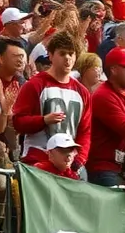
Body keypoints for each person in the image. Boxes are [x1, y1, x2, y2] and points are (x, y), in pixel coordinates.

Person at [13, 31, 93, 166]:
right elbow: (18, 122)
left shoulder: (83, 92)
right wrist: (43, 120)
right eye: (62, 53)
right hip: (37, 159)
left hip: (69, 163)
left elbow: (85, 131)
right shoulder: (34, 85)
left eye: (71, 53)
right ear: (50, 55)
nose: (67, 58)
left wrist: (80, 159)